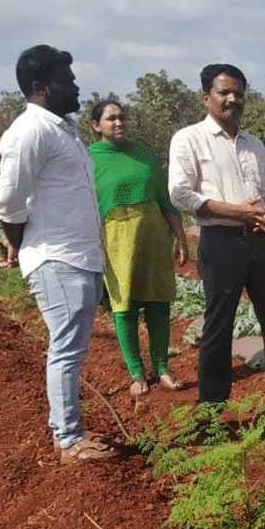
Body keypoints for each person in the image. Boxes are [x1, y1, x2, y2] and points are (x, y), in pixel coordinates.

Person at [0, 44, 116, 463]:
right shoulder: (31, 133)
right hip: (58, 258)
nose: (76, 85)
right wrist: (16, 240)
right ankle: (69, 439)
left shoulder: (63, 129)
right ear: (42, 87)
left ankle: (70, 432)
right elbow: (8, 202)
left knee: (71, 349)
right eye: (68, 80)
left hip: (79, 255)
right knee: (66, 350)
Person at [167, 63, 265, 406]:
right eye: (224, 92)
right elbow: (179, 194)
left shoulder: (254, 145)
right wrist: (238, 211)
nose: (232, 99)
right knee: (219, 323)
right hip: (221, 242)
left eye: (239, 93)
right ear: (206, 97)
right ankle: (212, 405)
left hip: (261, 240)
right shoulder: (188, 139)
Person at [89, 100, 191, 396]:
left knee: (159, 301)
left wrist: (181, 237)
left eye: (122, 117)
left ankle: (162, 367)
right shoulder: (88, 159)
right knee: (125, 305)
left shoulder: (144, 154)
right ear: (97, 126)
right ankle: (136, 373)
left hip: (153, 234)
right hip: (115, 238)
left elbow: (165, 199)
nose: (118, 123)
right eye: (111, 119)